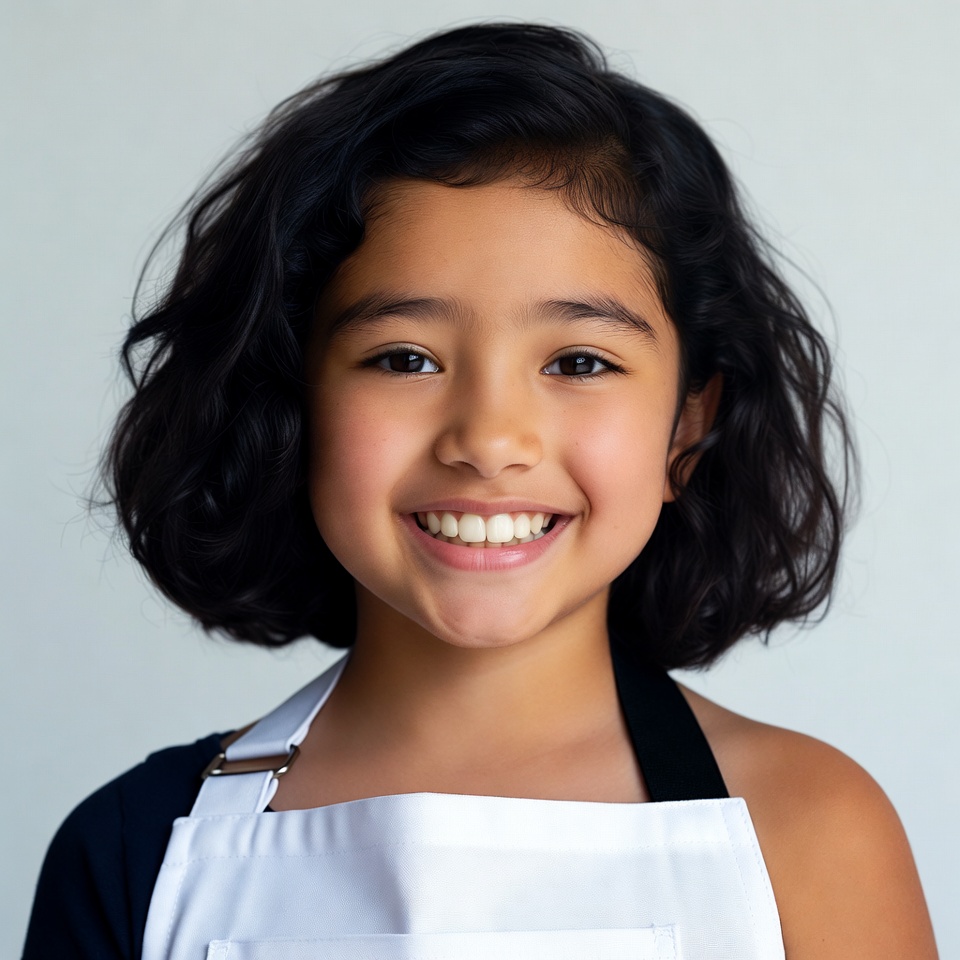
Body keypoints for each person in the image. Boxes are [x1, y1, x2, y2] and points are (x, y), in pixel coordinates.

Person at [23, 21, 938, 960]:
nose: (489, 440)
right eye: (405, 358)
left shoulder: (813, 830)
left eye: (580, 360)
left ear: (687, 426)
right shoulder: (137, 850)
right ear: (290, 402)